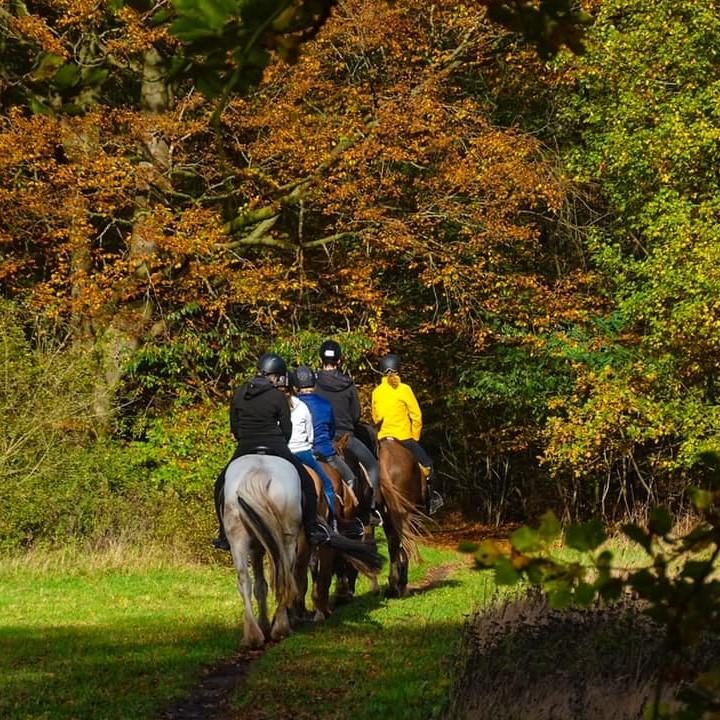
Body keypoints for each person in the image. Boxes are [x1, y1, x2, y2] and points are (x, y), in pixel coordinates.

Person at [212, 352, 330, 551]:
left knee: (220, 485)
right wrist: (281, 442)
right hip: (275, 444)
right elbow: (286, 427)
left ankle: (224, 533)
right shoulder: (278, 395)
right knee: (308, 483)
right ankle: (311, 528)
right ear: (276, 375)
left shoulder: (240, 392)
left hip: (246, 445)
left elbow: (234, 426)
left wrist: (244, 439)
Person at [315, 340, 383, 525]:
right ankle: (372, 510)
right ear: (339, 361)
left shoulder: (314, 383)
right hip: (346, 438)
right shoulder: (348, 384)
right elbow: (356, 414)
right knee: (373, 467)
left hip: (320, 438)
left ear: (321, 359)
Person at [371, 353, 443, 514]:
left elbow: (376, 417)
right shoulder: (404, 389)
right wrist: (414, 437)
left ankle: (374, 506)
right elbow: (416, 415)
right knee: (428, 465)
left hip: (382, 439)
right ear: (398, 370)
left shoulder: (376, 392)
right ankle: (432, 500)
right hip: (403, 438)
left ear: (382, 371)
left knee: (370, 469)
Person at [283, 370, 338, 530]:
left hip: (285, 452)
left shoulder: (279, 405)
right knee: (327, 485)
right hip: (303, 452)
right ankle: (333, 522)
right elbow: (310, 433)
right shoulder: (304, 407)